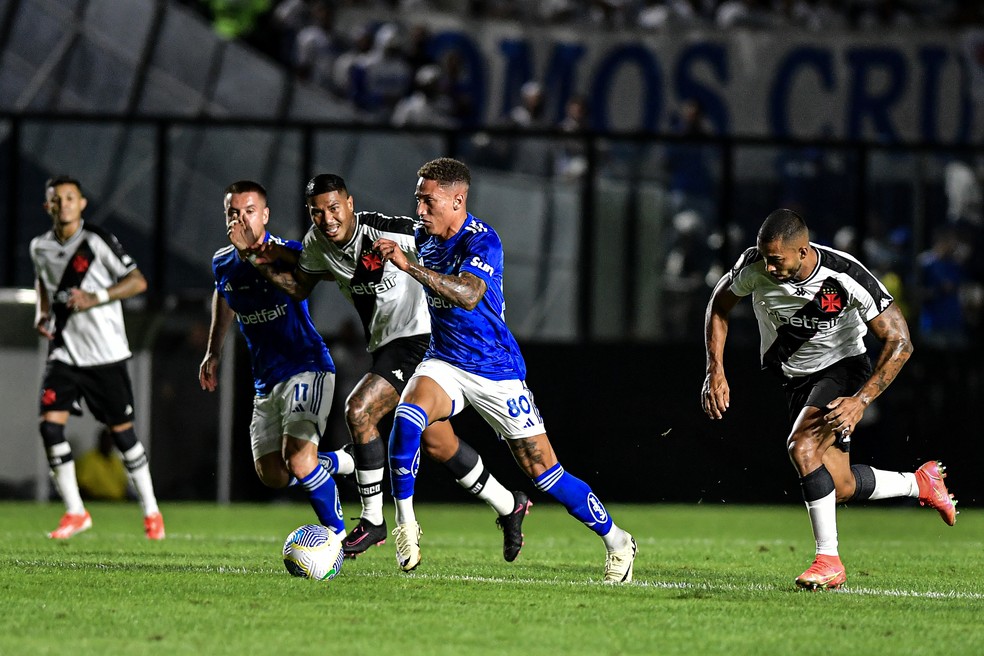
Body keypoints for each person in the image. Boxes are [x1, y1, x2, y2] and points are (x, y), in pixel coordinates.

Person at [373, 157, 637, 581]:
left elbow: (468, 295)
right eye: (418, 200)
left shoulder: (483, 241)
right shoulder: (423, 235)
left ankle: (618, 540)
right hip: (444, 361)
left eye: (429, 201)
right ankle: (405, 524)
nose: (420, 209)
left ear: (458, 199)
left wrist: (411, 267)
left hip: (496, 370)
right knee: (407, 417)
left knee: (546, 474)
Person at [243, 173, 531, 562]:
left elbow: (443, 242)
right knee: (438, 443)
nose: (327, 218)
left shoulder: (391, 230)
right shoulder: (316, 244)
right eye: (317, 212)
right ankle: (508, 504)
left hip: (420, 340)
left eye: (334, 208)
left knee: (359, 410)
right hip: (384, 346)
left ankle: (372, 518)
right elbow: (299, 287)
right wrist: (259, 260)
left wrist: (470, 281)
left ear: (350, 203)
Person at [701, 208, 958, 590]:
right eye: (765, 258)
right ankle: (920, 483)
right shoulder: (753, 266)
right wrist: (714, 369)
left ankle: (829, 560)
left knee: (802, 447)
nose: (769, 268)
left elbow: (901, 342)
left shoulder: (845, 276)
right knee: (838, 485)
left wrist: (861, 401)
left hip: (842, 370)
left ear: (803, 251)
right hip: (796, 380)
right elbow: (719, 307)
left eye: (777, 260)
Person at [199, 180, 353, 537]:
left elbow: (315, 275)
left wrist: (254, 254)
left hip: (307, 368)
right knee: (274, 475)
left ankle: (340, 540)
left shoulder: (287, 252)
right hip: (265, 381)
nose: (241, 220)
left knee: (299, 459)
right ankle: (340, 461)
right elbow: (224, 296)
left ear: (265, 215)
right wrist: (213, 350)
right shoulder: (222, 262)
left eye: (249, 212)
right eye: (233, 213)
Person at [30, 175, 165, 539]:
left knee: (122, 435)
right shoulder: (39, 247)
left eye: (70, 197)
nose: (64, 204)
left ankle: (152, 511)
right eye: (56, 199)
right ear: (48, 206)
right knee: (49, 425)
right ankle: (75, 511)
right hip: (66, 354)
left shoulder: (96, 241)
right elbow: (44, 282)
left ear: (82, 203)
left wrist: (97, 296)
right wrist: (42, 314)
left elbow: (138, 281)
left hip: (106, 355)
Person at [76, 427, 130, 501]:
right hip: (97, 501)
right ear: (100, 440)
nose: (108, 443)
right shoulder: (89, 459)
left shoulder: (116, 461)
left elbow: (124, 485)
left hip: (117, 502)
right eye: (106, 440)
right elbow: (83, 486)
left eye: (111, 440)